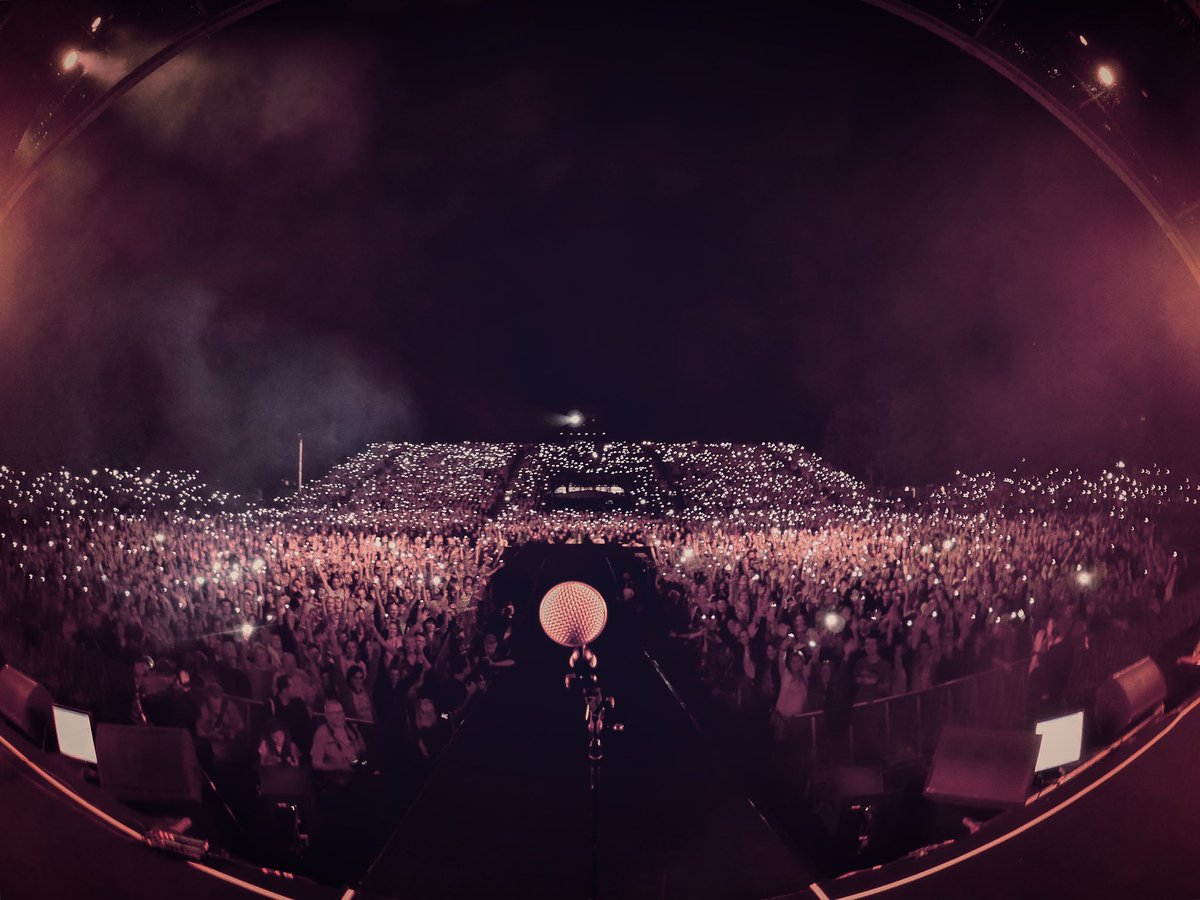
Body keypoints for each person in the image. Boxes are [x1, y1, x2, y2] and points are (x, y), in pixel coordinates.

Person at [310, 699, 366, 786]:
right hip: (336, 784)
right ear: (327, 716)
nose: (339, 716)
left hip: (357, 777)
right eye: (335, 713)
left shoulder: (352, 728)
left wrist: (361, 764)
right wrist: (339, 768)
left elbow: (363, 751)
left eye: (341, 712)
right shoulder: (321, 733)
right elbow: (316, 764)